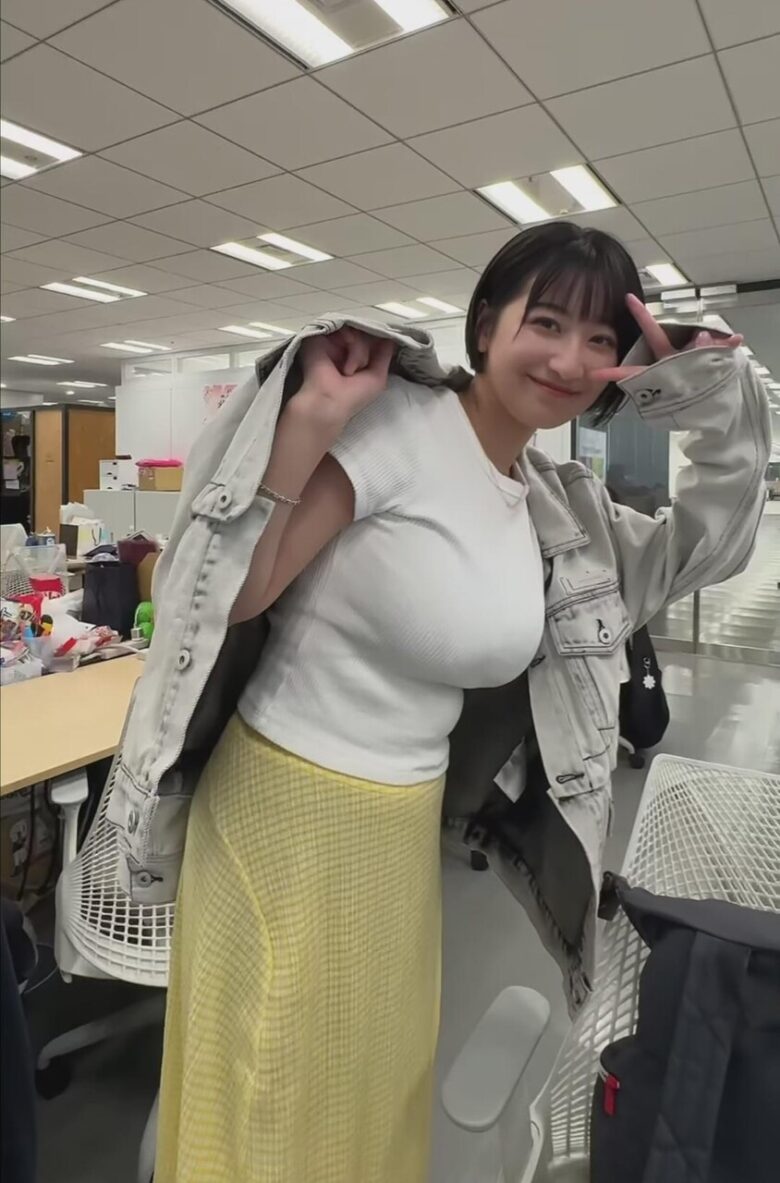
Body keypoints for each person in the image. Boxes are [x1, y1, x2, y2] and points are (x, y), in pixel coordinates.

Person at [153, 222, 769, 1183]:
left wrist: (706, 396)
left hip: (403, 827)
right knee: (277, 1105)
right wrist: (312, 420)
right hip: (285, 815)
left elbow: (710, 547)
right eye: (547, 322)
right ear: (486, 325)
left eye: (601, 340)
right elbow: (235, 591)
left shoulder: (556, 505)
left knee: (374, 1093)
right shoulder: (400, 427)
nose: (570, 359)